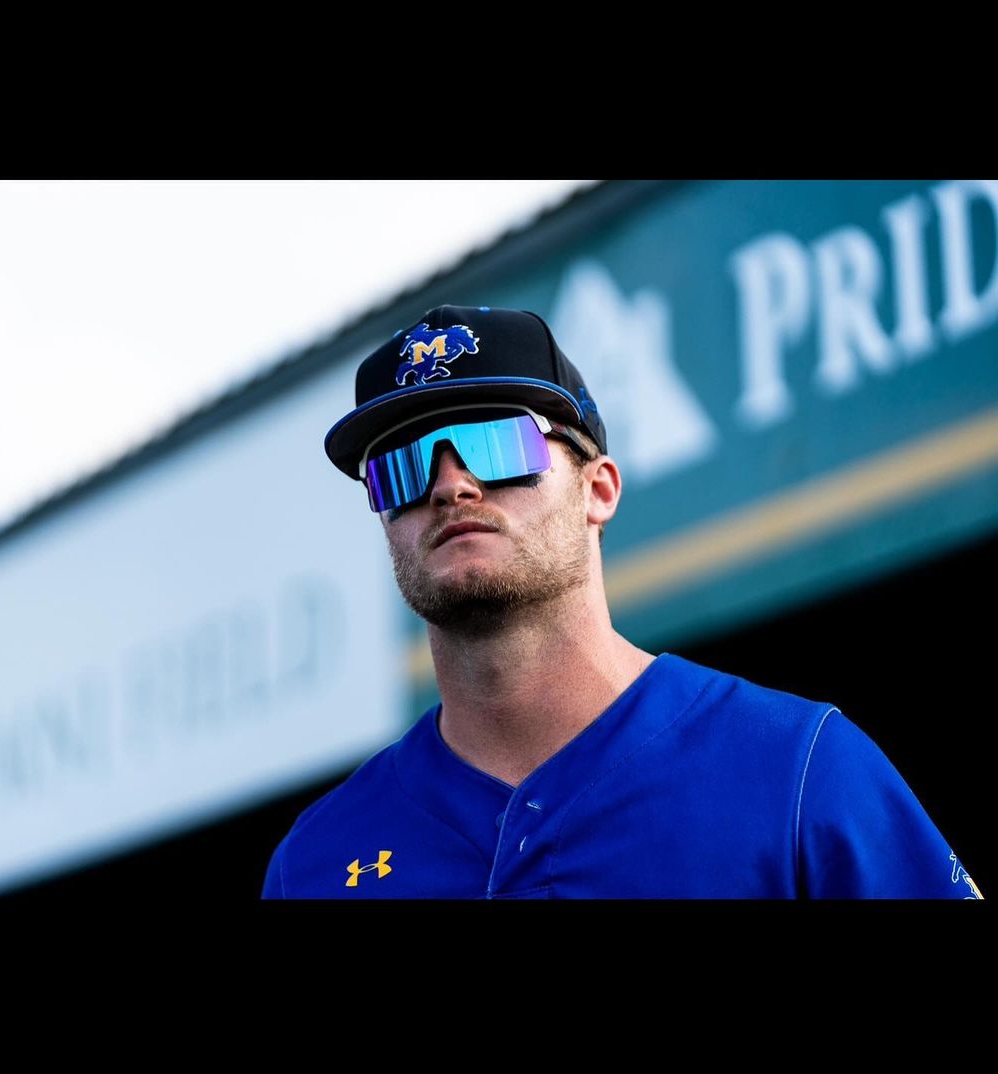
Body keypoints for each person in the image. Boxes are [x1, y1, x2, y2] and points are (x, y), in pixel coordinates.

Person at [261, 304, 983, 900]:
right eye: (401, 466)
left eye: (496, 442)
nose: (450, 486)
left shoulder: (799, 767)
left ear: (598, 490)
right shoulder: (316, 862)